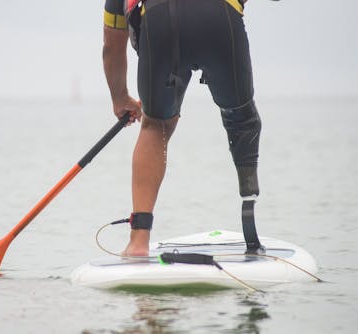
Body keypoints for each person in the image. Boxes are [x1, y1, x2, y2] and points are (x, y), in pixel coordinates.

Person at [103, 0, 263, 256]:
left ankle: (138, 242)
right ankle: (250, 231)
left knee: (155, 126)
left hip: (160, 21)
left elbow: (112, 44)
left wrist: (120, 97)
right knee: (241, 119)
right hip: (219, 16)